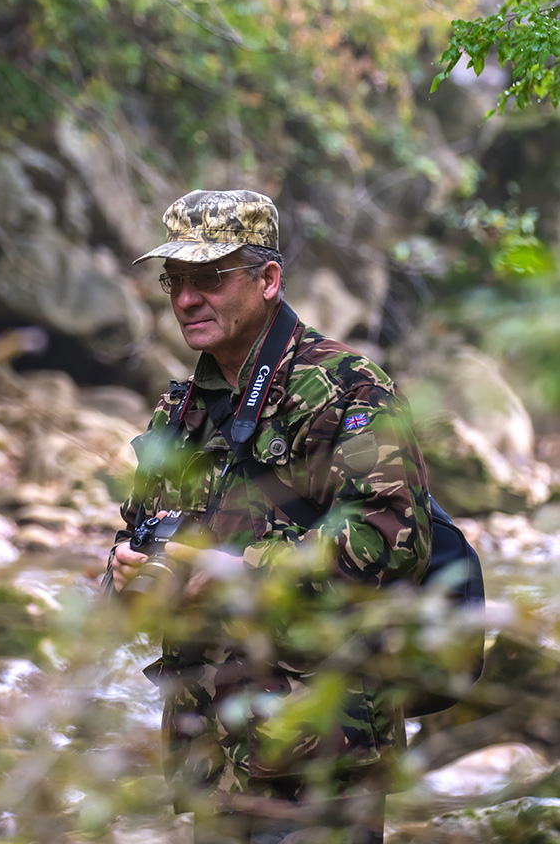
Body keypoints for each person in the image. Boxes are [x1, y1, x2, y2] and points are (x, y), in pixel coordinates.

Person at [109, 189, 432, 844]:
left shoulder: (346, 387)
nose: (185, 300)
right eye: (175, 281)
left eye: (209, 279)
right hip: (210, 754)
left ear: (268, 279)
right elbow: (143, 531)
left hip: (321, 752)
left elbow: (394, 537)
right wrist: (124, 570)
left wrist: (246, 572)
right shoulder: (179, 412)